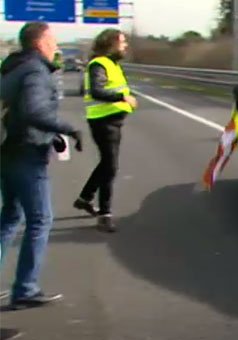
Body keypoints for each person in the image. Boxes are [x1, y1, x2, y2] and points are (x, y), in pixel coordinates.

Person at [0, 22, 83, 310]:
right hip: (26, 153)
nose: (56, 46)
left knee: (10, 216)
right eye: (53, 41)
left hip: (7, 150)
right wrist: (68, 128)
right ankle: (25, 289)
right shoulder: (35, 70)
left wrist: (53, 135)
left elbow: (19, 111)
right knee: (40, 219)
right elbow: (34, 111)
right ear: (40, 43)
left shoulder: (12, 67)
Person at [73, 29, 138, 232]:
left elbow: (115, 87)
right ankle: (104, 214)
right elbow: (97, 90)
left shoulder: (112, 64)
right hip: (103, 121)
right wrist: (123, 98)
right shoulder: (99, 64)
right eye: (122, 42)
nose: (125, 45)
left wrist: (126, 97)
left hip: (111, 121)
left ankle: (85, 198)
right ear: (110, 43)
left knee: (106, 164)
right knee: (110, 167)